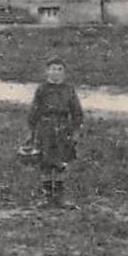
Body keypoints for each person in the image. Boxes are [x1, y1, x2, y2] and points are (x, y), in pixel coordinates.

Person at [26, 57, 84, 205]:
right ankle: (46, 196)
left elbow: (77, 112)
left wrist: (75, 131)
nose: (56, 72)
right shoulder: (42, 89)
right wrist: (32, 131)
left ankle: (59, 197)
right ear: (47, 72)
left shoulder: (68, 89)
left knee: (60, 161)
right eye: (53, 69)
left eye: (59, 69)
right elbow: (34, 111)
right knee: (45, 162)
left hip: (63, 128)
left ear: (64, 73)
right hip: (45, 128)